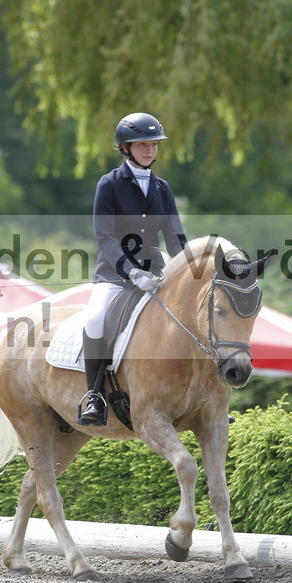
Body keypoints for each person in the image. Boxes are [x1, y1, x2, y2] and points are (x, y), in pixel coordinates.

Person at [79, 112, 188, 426]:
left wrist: (189, 271)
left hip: (156, 274)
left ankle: (203, 394)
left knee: (192, 317)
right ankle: (94, 396)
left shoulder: (162, 188)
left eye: (153, 145)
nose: (150, 151)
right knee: (96, 319)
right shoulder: (109, 185)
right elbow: (105, 237)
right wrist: (132, 272)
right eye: (142, 145)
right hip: (114, 274)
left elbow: (175, 236)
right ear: (125, 147)